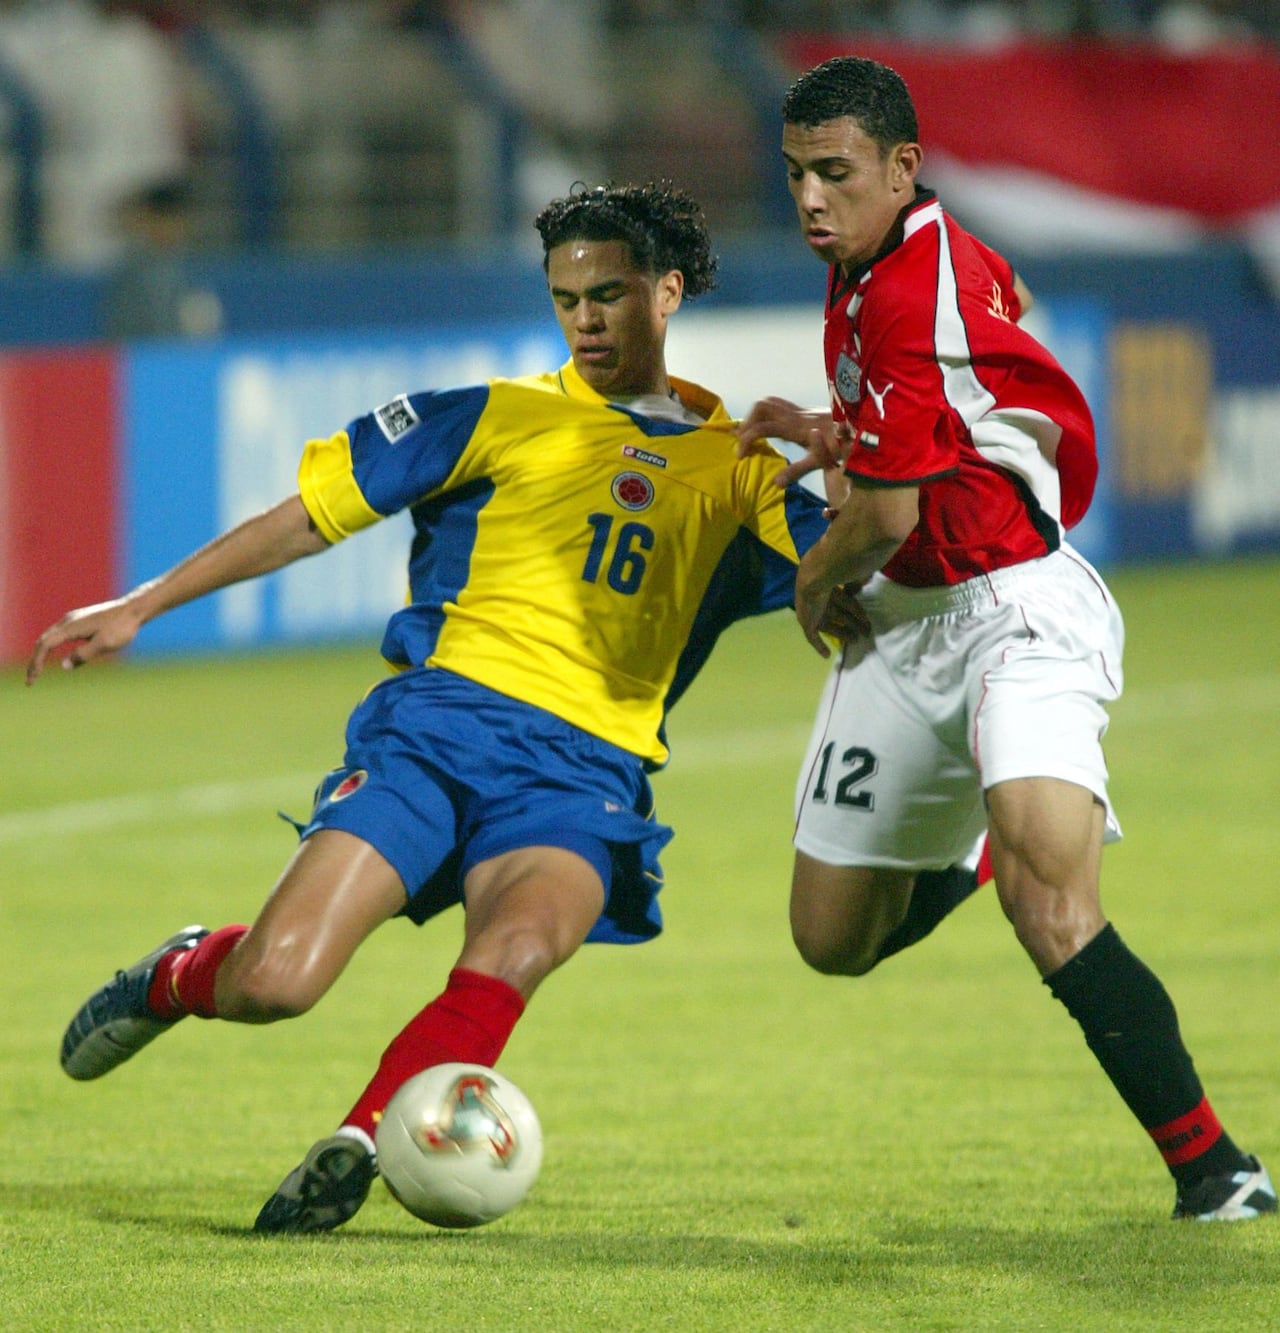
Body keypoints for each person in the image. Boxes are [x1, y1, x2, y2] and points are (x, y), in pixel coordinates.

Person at [27, 181, 849, 1236]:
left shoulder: (736, 471)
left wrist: (859, 462)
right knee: (276, 982)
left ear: (668, 291)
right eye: (565, 299)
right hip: (436, 735)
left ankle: (361, 1140)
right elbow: (308, 520)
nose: (586, 319)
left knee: (515, 948)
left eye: (608, 293)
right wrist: (141, 603)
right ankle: (177, 975)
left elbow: (853, 570)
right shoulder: (497, 415)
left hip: (581, 776)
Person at [735, 55, 1275, 1223]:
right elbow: (939, 420)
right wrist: (829, 433)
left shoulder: (905, 289)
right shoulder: (878, 261)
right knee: (830, 940)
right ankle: (980, 845)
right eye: (793, 176)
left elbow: (886, 516)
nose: (810, 200)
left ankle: (1214, 1169)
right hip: (906, 633)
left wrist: (809, 582)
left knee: (1052, 906)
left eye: (833, 173)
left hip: (1012, 611)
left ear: (901, 168)